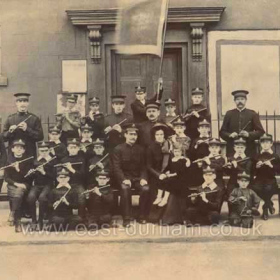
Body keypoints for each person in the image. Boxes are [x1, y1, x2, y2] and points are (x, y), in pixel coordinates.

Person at [112, 123, 149, 227]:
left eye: (135, 135)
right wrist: (123, 179)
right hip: (124, 178)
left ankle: (141, 216)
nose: (133, 137)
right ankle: (126, 218)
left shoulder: (141, 149)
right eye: (131, 134)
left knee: (145, 189)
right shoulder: (118, 149)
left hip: (137, 178)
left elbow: (144, 167)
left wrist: (143, 178)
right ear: (125, 135)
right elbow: (116, 167)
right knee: (125, 189)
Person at [220, 89, 265, 157]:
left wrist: (249, 134)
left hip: (249, 149)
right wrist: (230, 135)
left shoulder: (252, 114)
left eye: (242, 99)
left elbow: (261, 132)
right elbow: (222, 132)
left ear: (246, 100)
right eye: (237, 99)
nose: (240, 101)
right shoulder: (229, 114)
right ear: (234, 101)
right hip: (232, 149)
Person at [4, 139, 33, 232]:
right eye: (16, 147)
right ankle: (17, 222)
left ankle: (13, 215)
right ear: (12, 149)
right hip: (13, 185)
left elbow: (26, 178)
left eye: (21, 148)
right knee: (18, 195)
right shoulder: (9, 160)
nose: (19, 150)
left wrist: (17, 169)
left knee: (18, 193)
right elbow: (6, 178)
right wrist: (16, 184)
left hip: (25, 184)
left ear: (24, 150)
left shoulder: (28, 160)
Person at [2, 93, 44, 157]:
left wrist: (27, 129)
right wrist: (10, 132)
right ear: (16, 103)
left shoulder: (34, 118)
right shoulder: (10, 118)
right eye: (20, 101)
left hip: (29, 153)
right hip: (13, 155)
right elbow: (3, 138)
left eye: (25, 101)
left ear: (28, 103)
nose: (22, 104)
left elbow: (40, 137)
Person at [26, 141, 55, 231]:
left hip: (48, 185)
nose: (43, 153)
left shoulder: (53, 160)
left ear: (49, 150)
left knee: (42, 198)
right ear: (39, 151)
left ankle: (40, 221)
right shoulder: (35, 161)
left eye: (45, 150)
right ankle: (34, 221)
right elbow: (32, 177)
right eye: (41, 151)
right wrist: (31, 173)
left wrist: (43, 172)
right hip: (37, 185)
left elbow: (54, 177)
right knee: (31, 197)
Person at [146, 123, 172, 223]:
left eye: (161, 134)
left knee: (170, 186)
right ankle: (155, 217)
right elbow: (148, 166)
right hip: (154, 175)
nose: (160, 136)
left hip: (167, 175)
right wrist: (158, 174)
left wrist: (169, 171)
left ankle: (167, 217)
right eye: (157, 135)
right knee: (155, 191)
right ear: (154, 136)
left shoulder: (168, 145)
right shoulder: (150, 148)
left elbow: (171, 161)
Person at [160, 143, 191, 225]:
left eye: (178, 151)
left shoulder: (183, 160)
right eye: (175, 151)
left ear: (182, 152)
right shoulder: (172, 159)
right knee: (165, 181)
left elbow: (181, 171)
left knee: (171, 181)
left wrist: (171, 174)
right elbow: (168, 168)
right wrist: (165, 173)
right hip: (173, 178)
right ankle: (161, 198)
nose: (177, 153)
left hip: (181, 179)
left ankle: (165, 199)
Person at [251, 133, 280, 220]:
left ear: (271, 144)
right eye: (263, 142)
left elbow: (278, 170)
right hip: (259, 179)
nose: (265, 144)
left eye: (267, 142)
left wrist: (271, 166)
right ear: (260, 144)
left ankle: (265, 209)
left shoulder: (275, 156)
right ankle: (269, 203)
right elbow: (252, 171)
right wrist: (256, 167)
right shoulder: (257, 156)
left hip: (270, 179)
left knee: (268, 188)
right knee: (254, 188)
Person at [60, 138, 86, 221]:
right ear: (67, 149)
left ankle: (81, 218)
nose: (73, 150)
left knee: (82, 196)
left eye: (75, 147)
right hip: (67, 184)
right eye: (71, 148)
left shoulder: (82, 159)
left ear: (78, 148)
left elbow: (83, 175)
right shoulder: (63, 160)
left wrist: (71, 169)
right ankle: (68, 218)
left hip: (78, 183)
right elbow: (60, 175)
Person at [224, 137, 252, 203]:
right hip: (232, 182)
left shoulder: (248, 159)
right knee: (230, 195)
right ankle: (231, 211)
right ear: (234, 148)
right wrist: (228, 168)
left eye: (242, 148)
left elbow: (247, 172)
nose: (240, 150)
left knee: (244, 197)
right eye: (238, 147)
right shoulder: (230, 158)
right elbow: (227, 173)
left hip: (243, 182)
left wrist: (236, 166)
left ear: (245, 148)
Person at [189, 119, 211, 186]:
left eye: (206, 127)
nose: (204, 130)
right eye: (202, 128)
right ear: (198, 129)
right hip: (198, 163)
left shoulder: (212, 140)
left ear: (209, 129)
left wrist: (209, 144)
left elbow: (218, 152)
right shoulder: (195, 140)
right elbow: (191, 154)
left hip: (209, 163)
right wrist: (196, 146)